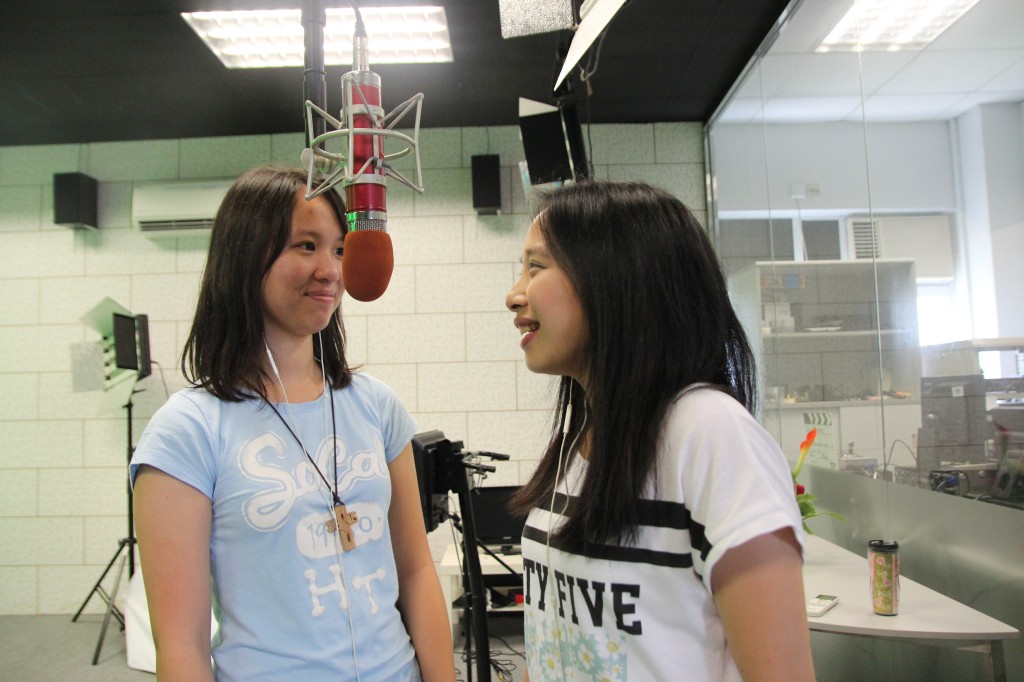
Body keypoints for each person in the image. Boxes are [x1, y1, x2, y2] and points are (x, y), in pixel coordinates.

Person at [131, 166, 455, 682]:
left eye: (339, 250)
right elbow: (181, 646)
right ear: (244, 256)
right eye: (306, 245)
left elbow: (415, 572)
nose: (330, 270)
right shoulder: (187, 431)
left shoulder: (377, 406)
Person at [505, 180, 815, 681]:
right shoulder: (583, 438)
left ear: (616, 278)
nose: (514, 295)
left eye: (535, 267)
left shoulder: (710, 432)